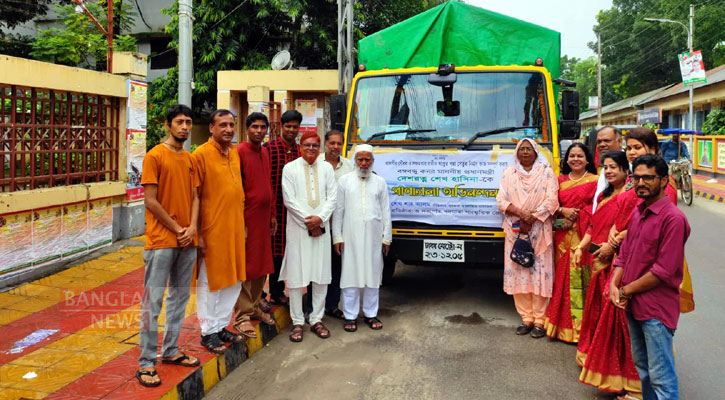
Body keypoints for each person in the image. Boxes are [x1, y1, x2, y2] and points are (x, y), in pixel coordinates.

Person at [610, 154, 690, 400]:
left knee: (661, 378)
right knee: (644, 371)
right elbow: (625, 253)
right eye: (637, 177)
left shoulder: (673, 219)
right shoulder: (638, 211)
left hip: (656, 309)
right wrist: (614, 283)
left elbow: (663, 271)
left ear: (665, 180)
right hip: (633, 305)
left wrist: (625, 290)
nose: (641, 183)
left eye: (648, 178)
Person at [136, 104, 200, 387]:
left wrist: (193, 228)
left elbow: (196, 197)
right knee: (153, 301)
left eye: (188, 122)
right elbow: (150, 200)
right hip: (162, 240)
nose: (185, 127)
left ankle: (171, 350)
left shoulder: (189, 158)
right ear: (167, 125)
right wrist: (177, 229)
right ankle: (146, 362)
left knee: (180, 299)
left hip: (188, 240)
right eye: (179, 122)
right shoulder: (154, 156)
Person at [573, 151, 641, 399]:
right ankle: (598, 361)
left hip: (617, 263)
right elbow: (592, 225)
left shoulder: (631, 196)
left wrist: (612, 246)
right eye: (606, 167)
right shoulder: (603, 195)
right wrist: (581, 247)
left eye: (614, 167)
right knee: (597, 314)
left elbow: (635, 229)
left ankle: (626, 378)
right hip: (597, 260)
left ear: (626, 170)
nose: (609, 171)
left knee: (616, 321)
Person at [613, 127, 694, 314]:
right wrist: (613, 230)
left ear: (651, 149)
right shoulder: (632, 180)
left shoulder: (664, 189)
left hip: (647, 266)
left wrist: (619, 236)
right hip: (625, 258)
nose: (631, 152)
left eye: (637, 147)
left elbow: (656, 223)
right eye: (628, 148)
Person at [193, 109, 246, 354]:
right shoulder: (201, 155)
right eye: (222, 124)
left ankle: (221, 325)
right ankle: (208, 332)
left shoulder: (234, 154)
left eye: (231, 125)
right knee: (210, 282)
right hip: (211, 230)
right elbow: (193, 196)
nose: (228, 129)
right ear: (211, 129)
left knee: (233, 280)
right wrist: (199, 234)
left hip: (234, 229)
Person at [496, 138, 559, 338]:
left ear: (535, 152)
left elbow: (552, 200)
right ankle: (526, 318)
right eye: (521, 149)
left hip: (539, 229)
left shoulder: (547, 172)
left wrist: (532, 217)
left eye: (528, 149)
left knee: (540, 273)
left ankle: (540, 320)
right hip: (516, 230)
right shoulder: (509, 174)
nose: (525, 153)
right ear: (516, 153)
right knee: (519, 271)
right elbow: (501, 200)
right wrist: (520, 214)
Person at [280, 132, 337, 342]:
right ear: (300, 146)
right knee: (296, 277)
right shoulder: (290, 168)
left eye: (315, 145)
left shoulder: (327, 168)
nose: (311, 148)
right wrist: (309, 222)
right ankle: (297, 321)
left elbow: (332, 198)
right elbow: (289, 200)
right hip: (298, 230)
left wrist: (319, 219)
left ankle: (316, 319)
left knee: (321, 275)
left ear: (319, 147)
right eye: (307, 145)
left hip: (321, 229)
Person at [333, 144, 392, 332]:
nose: (364, 163)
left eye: (368, 160)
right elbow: (338, 211)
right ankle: (350, 316)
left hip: (374, 237)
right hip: (350, 236)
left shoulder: (380, 182)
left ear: (373, 161)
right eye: (360, 159)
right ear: (355, 161)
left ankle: (370, 314)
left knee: (373, 275)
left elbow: (386, 211)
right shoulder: (344, 181)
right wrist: (337, 237)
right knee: (350, 274)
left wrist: (387, 238)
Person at [544, 143, 598, 343]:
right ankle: (560, 326)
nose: (576, 159)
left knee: (581, 279)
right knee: (562, 279)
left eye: (580, 156)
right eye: (572, 156)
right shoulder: (559, 181)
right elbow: (550, 204)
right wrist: (562, 212)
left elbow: (598, 209)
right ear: (566, 160)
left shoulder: (596, 180)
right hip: (562, 236)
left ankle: (582, 329)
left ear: (587, 159)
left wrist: (577, 215)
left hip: (584, 237)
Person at [232, 112, 277, 339]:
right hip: (247, 217)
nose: (259, 131)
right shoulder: (239, 152)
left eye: (263, 127)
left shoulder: (265, 151)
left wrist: (272, 214)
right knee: (247, 267)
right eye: (255, 127)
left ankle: (255, 306)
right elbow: (237, 189)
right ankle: (242, 316)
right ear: (247, 129)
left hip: (263, 218)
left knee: (262, 265)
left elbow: (267, 183)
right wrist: (241, 221)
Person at [265, 110, 302, 305]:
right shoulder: (269, 149)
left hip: (293, 211)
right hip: (273, 208)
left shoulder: (300, 151)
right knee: (270, 251)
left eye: (295, 127)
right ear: (281, 126)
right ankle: (262, 295)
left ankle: (278, 291)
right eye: (288, 126)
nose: (291, 130)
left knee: (287, 250)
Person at [319, 130, 354, 320]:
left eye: (338, 144)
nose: (335, 147)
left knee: (336, 267)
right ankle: (312, 307)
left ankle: (332, 305)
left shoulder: (349, 166)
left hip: (339, 226)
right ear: (325, 143)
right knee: (316, 266)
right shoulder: (315, 163)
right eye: (331, 143)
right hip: (318, 225)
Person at [593, 126, 623, 211]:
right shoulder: (604, 169)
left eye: (607, 141)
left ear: (620, 141)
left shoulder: (628, 166)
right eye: (599, 142)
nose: (602, 145)